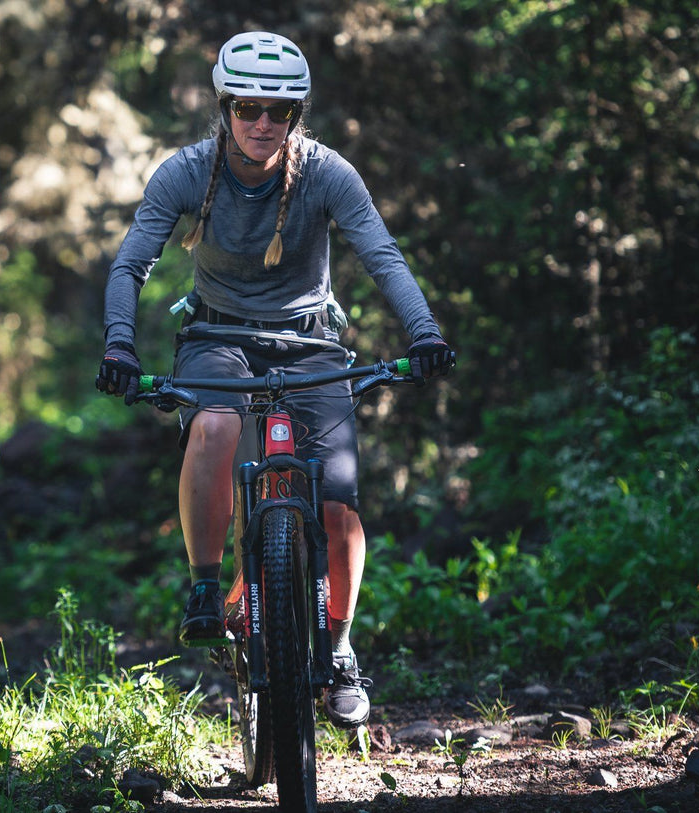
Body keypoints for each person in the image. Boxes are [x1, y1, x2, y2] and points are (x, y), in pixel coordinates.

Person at [95, 31, 452, 729]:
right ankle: (205, 588)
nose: (262, 123)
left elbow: (380, 254)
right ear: (223, 107)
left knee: (338, 502)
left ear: (297, 115)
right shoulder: (185, 173)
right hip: (215, 337)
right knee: (216, 425)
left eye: (279, 111)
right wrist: (119, 343)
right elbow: (130, 262)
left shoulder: (327, 173)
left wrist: (425, 331)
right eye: (248, 107)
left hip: (310, 343)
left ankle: (341, 649)